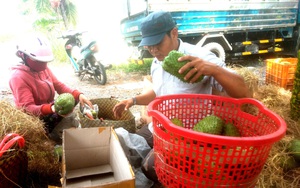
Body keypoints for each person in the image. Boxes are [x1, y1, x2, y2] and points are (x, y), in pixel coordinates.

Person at [113, 11, 252, 183]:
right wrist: (133, 100)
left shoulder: (199, 57)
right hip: (161, 128)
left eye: (157, 43)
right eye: (149, 46)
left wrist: (214, 70)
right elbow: (158, 92)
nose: (154, 50)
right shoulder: (157, 62)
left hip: (189, 136)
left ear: (174, 33)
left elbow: (244, 93)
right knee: (120, 143)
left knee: (151, 168)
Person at [9, 34, 93, 144]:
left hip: (49, 106)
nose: (43, 64)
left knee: (73, 99)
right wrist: (52, 109)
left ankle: (56, 127)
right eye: (38, 61)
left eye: (45, 61)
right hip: (35, 117)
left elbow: (59, 85)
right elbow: (28, 108)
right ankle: (50, 134)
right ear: (23, 56)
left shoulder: (43, 68)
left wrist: (78, 94)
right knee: (56, 120)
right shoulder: (18, 77)